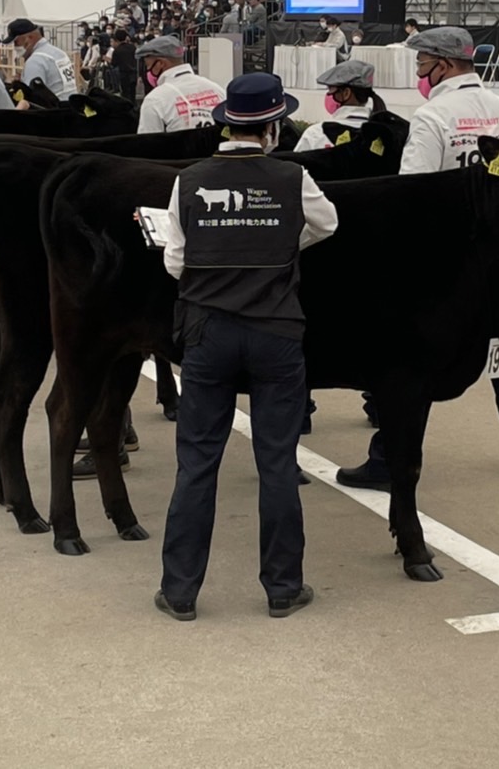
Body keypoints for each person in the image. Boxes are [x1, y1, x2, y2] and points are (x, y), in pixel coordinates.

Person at [154, 72, 338, 622]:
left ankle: (181, 591)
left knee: (196, 463)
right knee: (277, 463)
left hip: (207, 334)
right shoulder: (294, 176)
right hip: (276, 332)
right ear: (273, 126)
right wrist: (284, 242)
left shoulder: (189, 180)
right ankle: (283, 587)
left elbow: (174, 261)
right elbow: (328, 223)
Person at [336, 25, 499, 488]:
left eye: (422, 64)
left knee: (409, 356)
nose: (420, 73)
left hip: (448, 258)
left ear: (445, 65)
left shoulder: (433, 116)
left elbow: (413, 189)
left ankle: (385, 458)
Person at [135, 34, 225, 133]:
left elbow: (147, 144)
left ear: (161, 63)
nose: (148, 70)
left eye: (148, 65)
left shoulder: (155, 100)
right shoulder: (217, 89)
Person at [294, 59, 385, 151]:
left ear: (346, 93)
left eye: (330, 90)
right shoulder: (386, 135)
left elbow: (296, 164)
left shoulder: (317, 134)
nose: (328, 95)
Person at [5, 17, 77, 101]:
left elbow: (31, 100)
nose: (15, 47)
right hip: (71, 107)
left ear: (30, 37)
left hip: (53, 111)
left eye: (16, 42)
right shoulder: (60, 53)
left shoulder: (35, 62)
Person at [109, 28, 139, 102]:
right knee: (132, 93)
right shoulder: (132, 47)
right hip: (134, 73)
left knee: (125, 94)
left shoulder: (117, 50)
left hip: (124, 74)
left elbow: (114, 64)